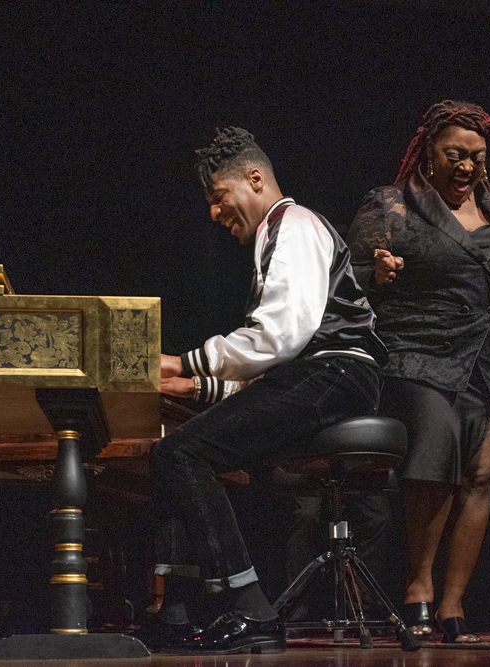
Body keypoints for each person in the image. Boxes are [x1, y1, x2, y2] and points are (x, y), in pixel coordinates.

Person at [147, 126, 387, 655]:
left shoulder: (292, 224)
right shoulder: (273, 237)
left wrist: (183, 361)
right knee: (179, 449)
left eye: (218, 197)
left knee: (181, 452)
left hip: (336, 373)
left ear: (254, 179)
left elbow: (279, 336)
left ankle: (249, 610)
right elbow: (268, 371)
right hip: (324, 374)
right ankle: (177, 610)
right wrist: (194, 384)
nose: (213, 214)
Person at [345, 100, 490, 643]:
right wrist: (378, 272)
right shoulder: (393, 203)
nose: (466, 166)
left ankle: (454, 603)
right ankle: (418, 588)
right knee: (438, 456)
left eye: (476, 157)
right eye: (455, 154)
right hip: (417, 352)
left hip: (486, 359)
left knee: (481, 474)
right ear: (428, 152)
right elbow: (347, 277)